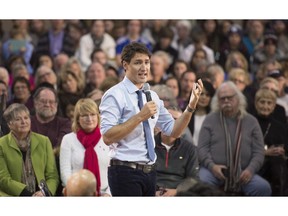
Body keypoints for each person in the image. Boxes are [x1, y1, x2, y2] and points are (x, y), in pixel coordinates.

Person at [99, 42, 203, 196]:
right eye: (138, 62)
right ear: (125, 65)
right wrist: (140, 116)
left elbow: (174, 130)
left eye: (147, 62)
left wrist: (190, 107)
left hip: (150, 172)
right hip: (124, 171)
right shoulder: (114, 94)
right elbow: (107, 137)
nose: (144, 67)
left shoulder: (152, 95)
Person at [197, 81, 272, 196]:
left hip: (243, 173)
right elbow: (202, 149)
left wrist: (250, 170)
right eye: (222, 98)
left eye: (230, 97)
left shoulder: (251, 121)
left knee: (263, 187)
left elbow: (259, 152)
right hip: (213, 171)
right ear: (217, 101)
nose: (226, 101)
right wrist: (212, 166)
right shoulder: (210, 119)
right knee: (201, 182)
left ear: (238, 98)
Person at [0, 103, 59, 196]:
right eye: (18, 119)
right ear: (9, 124)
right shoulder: (1, 144)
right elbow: (3, 178)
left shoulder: (44, 141)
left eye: (26, 118)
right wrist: (27, 195)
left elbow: (52, 176)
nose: (24, 122)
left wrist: (44, 193)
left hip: (41, 196)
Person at [60, 98, 111, 196]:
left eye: (92, 114)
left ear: (98, 116)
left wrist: (108, 193)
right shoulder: (68, 139)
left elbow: (114, 170)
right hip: (76, 194)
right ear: (78, 119)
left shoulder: (107, 137)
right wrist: (75, 190)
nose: (89, 119)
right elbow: (65, 171)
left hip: (104, 194)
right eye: (84, 115)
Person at [30, 86, 71, 195]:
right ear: (35, 103)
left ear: (56, 105)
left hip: (56, 173)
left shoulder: (65, 124)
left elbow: (60, 147)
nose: (48, 105)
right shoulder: (27, 122)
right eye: (43, 101)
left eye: (51, 102)